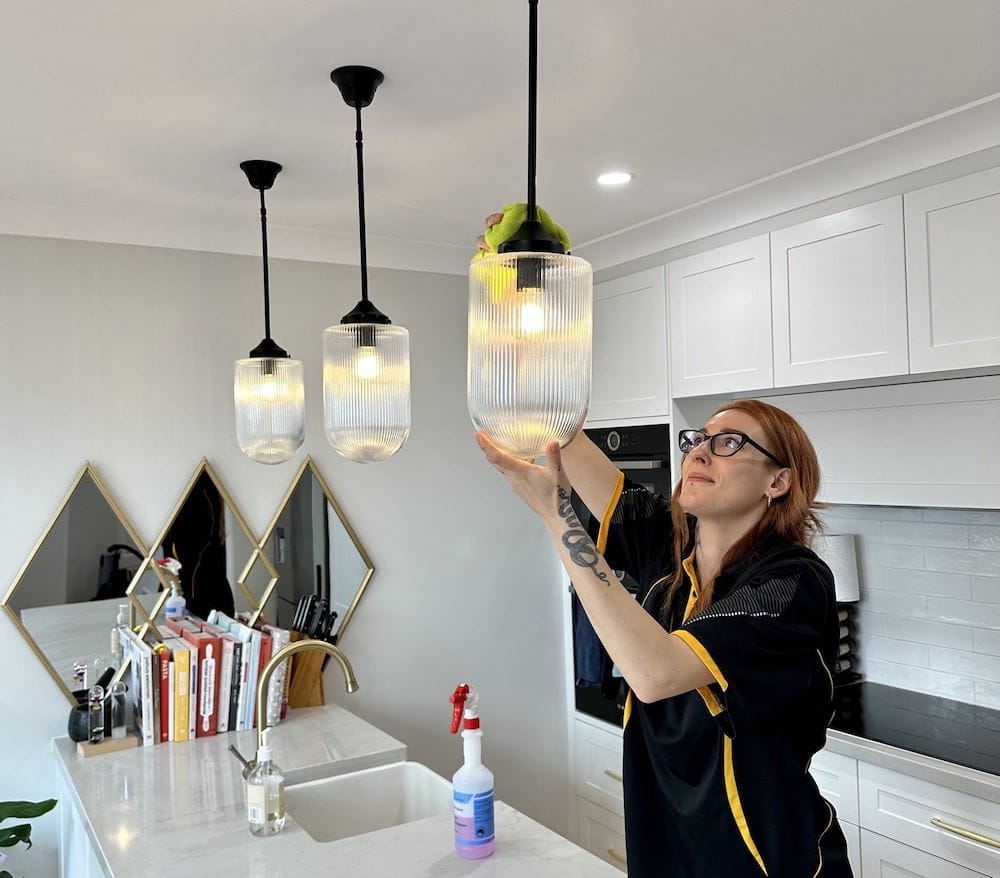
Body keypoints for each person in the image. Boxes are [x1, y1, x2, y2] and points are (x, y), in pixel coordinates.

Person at [474, 199, 851, 878]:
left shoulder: (788, 583)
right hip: (672, 855)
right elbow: (559, 434)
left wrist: (555, 515)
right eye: (698, 438)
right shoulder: (668, 549)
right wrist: (527, 320)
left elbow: (653, 674)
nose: (700, 450)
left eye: (729, 441)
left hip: (769, 863)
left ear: (778, 481)